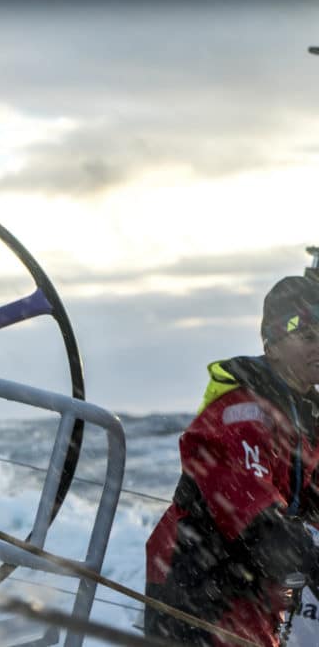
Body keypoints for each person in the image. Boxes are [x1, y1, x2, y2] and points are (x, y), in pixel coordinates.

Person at [144, 275, 319, 646]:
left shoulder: (305, 421)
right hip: (199, 591)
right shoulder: (240, 414)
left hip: (253, 595)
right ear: (271, 346)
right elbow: (255, 520)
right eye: (308, 337)